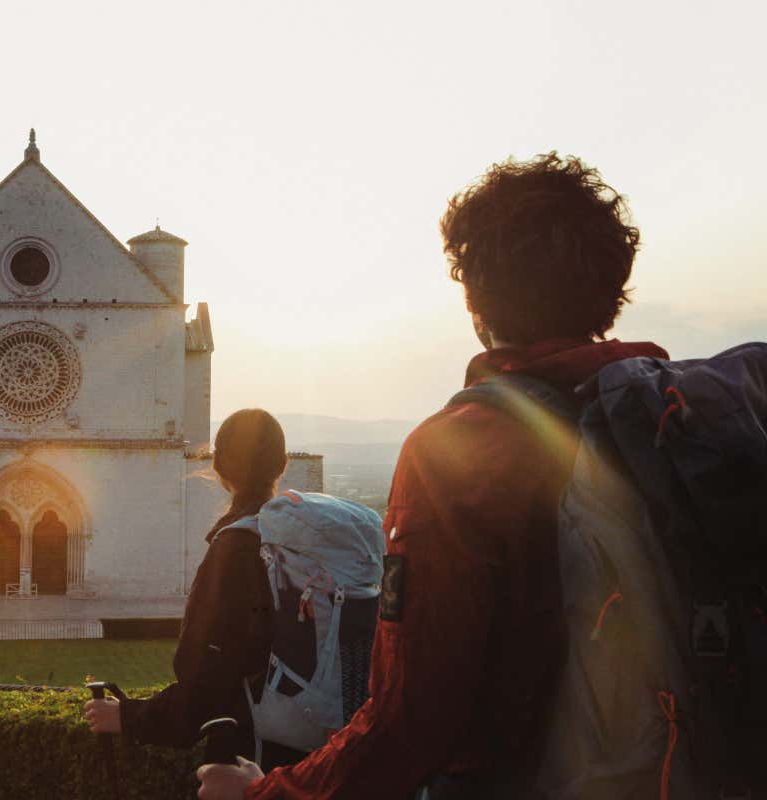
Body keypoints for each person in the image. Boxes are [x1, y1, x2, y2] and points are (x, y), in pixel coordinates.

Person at [197, 152, 667, 799]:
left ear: (475, 299)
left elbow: (410, 721)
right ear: (612, 290)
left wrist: (263, 794)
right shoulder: (677, 421)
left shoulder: (460, 451)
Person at [84, 409, 306, 769]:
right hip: (321, 755)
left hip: (252, 759)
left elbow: (204, 683)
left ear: (217, 466)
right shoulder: (305, 539)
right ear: (282, 464)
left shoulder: (236, 547)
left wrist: (128, 716)